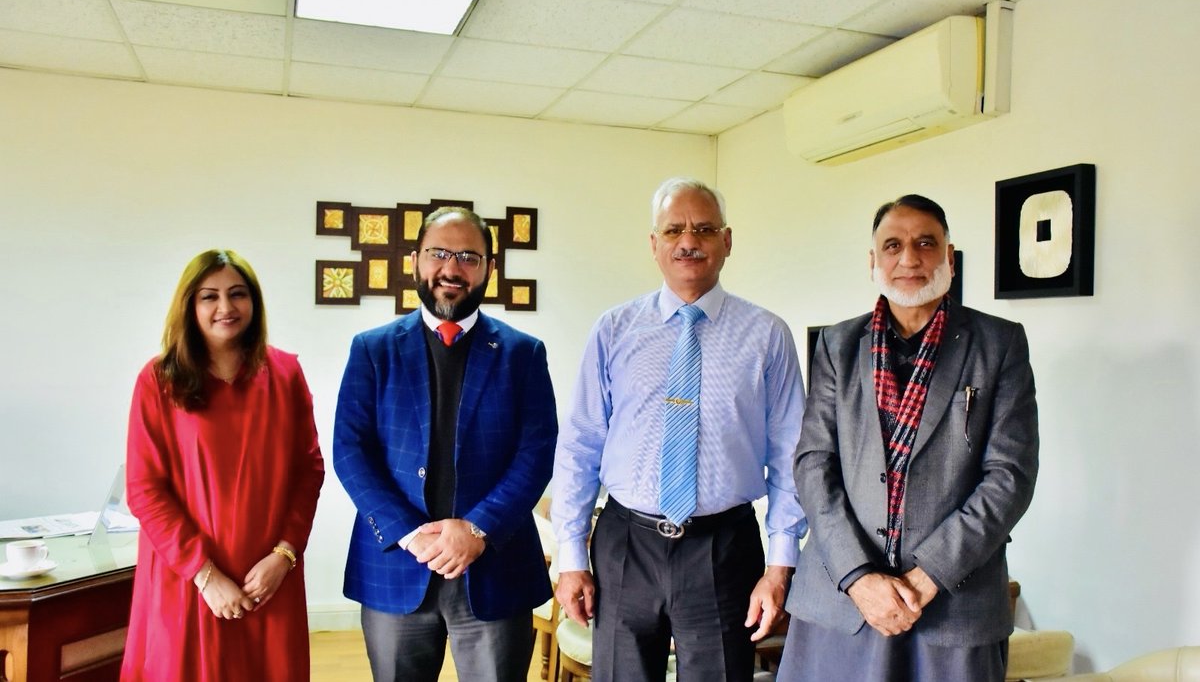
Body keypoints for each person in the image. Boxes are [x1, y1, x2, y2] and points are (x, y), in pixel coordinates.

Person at [552, 177, 807, 681]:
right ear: (654, 245)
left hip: (723, 548)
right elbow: (580, 444)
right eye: (674, 230)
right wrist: (571, 556)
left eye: (704, 229)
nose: (688, 241)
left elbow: (791, 455)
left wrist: (780, 567)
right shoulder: (614, 329)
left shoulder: (766, 336)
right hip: (625, 543)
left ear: (727, 241)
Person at [777, 194, 1040, 681]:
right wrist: (859, 578)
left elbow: (1010, 477)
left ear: (949, 257)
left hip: (951, 606)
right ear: (873, 260)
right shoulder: (838, 345)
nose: (909, 258)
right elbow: (814, 465)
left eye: (925, 243)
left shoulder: (999, 343)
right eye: (893, 245)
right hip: (841, 600)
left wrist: (928, 575)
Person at [333, 206, 558, 682]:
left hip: (493, 568)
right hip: (397, 565)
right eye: (439, 253)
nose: (452, 269)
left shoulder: (523, 354)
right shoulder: (372, 349)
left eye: (469, 257)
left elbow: (536, 453)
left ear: (489, 270)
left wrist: (477, 529)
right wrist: (411, 534)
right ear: (415, 261)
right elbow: (351, 451)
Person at [122, 249, 325, 681]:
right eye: (209, 297)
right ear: (189, 306)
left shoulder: (286, 374)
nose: (226, 308)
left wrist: (285, 555)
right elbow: (144, 488)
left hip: (267, 577)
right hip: (188, 580)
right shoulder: (158, 380)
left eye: (237, 294)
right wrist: (205, 575)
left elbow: (308, 470)